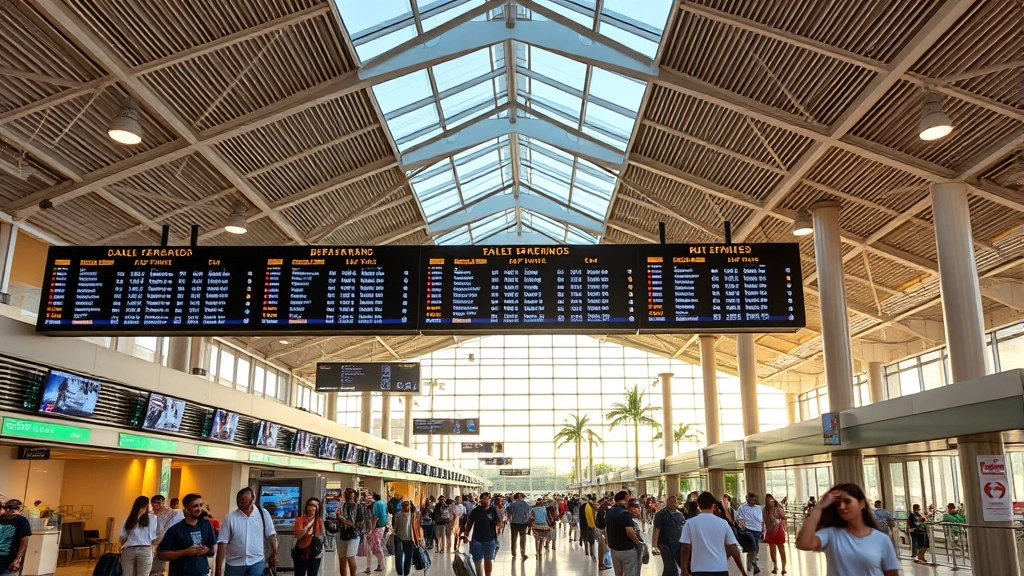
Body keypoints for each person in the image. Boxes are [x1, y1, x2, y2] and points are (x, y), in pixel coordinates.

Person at [794, 484, 899, 576]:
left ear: (862, 504)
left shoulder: (881, 539)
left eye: (847, 501)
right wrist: (819, 508)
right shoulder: (831, 534)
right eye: (838, 503)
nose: (842, 507)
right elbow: (803, 543)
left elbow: (891, 573)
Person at [679, 492, 748, 576]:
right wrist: (742, 571)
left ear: (698, 505)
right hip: (720, 569)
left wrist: (684, 570)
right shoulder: (723, 523)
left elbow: (685, 548)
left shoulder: (690, 523)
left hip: (699, 570)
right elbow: (733, 548)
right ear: (713, 505)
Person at [216, 487, 278, 576]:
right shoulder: (230, 518)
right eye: (238, 499)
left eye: (243, 499)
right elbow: (222, 543)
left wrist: (275, 553)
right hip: (234, 564)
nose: (240, 501)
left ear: (252, 500)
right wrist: (218, 571)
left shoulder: (263, 514)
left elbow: (271, 535)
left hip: (256, 562)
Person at [157, 494, 217, 576]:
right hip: (180, 572)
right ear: (187, 508)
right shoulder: (175, 529)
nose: (199, 509)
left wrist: (206, 549)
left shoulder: (206, 525)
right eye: (195, 506)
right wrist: (184, 552)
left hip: (201, 572)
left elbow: (212, 549)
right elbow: (161, 555)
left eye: (201, 505)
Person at [462, 493, 502, 576]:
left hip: (490, 539)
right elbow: (469, 523)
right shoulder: (475, 511)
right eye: (482, 498)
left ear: (489, 499)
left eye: (485, 498)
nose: (483, 500)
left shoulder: (494, 510)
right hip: (477, 539)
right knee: (477, 560)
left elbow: (499, 523)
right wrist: (466, 535)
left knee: (488, 560)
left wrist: (494, 521)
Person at [603, 491, 640, 576]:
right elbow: (629, 531)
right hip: (627, 550)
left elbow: (605, 530)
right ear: (626, 499)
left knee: (618, 573)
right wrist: (638, 543)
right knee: (629, 572)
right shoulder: (625, 514)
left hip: (614, 550)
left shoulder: (609, 512)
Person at [120, 496, 159, 576]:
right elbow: (153, 537)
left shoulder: (128, 520)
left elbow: (122, 538)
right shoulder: (152, 518)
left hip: (129, 549)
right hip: (145, 549)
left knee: (127, 574)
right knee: (143, 574)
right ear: (146, 505)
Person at [151, 494, 185, 576]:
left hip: (162, 543)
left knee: (157, 570)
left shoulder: (171, 513)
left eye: (158, 502)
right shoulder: (151, 514)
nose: (155, 504)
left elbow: (163, 530)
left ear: (163, 503)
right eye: (153, 502)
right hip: (151, 543)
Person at [651, 495, 683, 576]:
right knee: (670, 566)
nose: (674, 504)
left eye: (675, 503)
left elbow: (682, 528)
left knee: (672, 566)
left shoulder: (680, 515)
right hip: (664, 544)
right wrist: (654, 545)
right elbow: (656, 529)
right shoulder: (660, 514)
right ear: (667, 503)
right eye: (672, 502)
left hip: (677, 543)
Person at [336, 488, 364, 576]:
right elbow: (337, 520)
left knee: (350, 557)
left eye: (350, 495)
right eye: (346, 495)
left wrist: (346, 522)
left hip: (353, 535)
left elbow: (359, 524)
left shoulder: (358, 507)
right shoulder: (341, 506)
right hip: (341, 534)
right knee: (342, 559)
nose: (348, 497)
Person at [293, 498, 324, 576]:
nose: (312, 508)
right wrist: (309, 525)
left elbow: (320, 536)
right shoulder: (299, 520)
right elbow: (298, 535)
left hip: (315, 552)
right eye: (310, 505)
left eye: (316, 505)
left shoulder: (320, 521)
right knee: (299, 573)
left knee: (313, 573)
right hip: (301, 552)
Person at [0, 499, 31, 576]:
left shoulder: (21, 520)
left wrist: (17, 559)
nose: (10, 510)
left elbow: (24, 540)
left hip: (7, 563)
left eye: (15, 508)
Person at [392, 500, 422, 576]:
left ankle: (402, 572)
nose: (404, 507)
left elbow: (395, 529)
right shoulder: (411, 515)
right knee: (404, 557)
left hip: (404, 539)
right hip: (405, 539)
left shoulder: (402, 515)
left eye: (405, 505)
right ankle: (403, 572)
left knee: (402, 557)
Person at [736, 494, 763, 575]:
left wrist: (763, 527)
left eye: (754, 500)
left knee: (755, 547)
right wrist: (742, 524)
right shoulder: (742, 507)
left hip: (757, 530)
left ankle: (750, 563)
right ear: (747, 499)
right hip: (748, 529)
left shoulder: (758, 508)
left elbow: (761, 519)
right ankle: (754, 563)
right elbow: (738, 517)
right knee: (752, 546)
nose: (752, 502)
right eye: (750, 500)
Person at [761, 495, 786, 575]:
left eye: (772, 501)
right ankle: (775, 565)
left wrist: (777, 507)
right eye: (769, 501)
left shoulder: (778, 507)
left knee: (781, 548)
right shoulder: (765, 509)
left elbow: (782, 516)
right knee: (772, 549)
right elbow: (764, 520)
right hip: (770, 531)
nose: (770, 503)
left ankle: (783, 567)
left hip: (778, 529)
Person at [365, 493, 387, 573]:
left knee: (376, 546)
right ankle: (379, 565)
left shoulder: (376, 504)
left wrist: (371, 529)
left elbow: (375, 517)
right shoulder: (383, 503)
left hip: (377, 527)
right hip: (383, 526)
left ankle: (381, 565)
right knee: (377, 545)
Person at [626, 499, 648, 575]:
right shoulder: (632, 521)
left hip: (636, 548)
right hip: (636, 548)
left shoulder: (636, 520)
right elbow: (638, 536)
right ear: (629, 509)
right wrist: (644, 545)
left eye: (637, 507)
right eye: (633, 508)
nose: (636, 510)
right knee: (636, 568)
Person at [507, 493, 531, 560]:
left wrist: (510, 518)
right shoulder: (526, 504)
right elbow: (528, 513)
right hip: (523, 523)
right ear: (520, 497)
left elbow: (508, 510)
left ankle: (514, 553)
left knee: (513, 539)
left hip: (514, 523)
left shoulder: (512, 504)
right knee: (523, 538)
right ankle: (523, 553)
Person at [579, 495, 597, 561]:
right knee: (592, 540)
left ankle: (586, 550)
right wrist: (594, 526)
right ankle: (593, 554)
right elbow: (591, 517)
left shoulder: (582, 507)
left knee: (585, 537)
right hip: (589, 525)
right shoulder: (589, 507)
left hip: (583, 525)